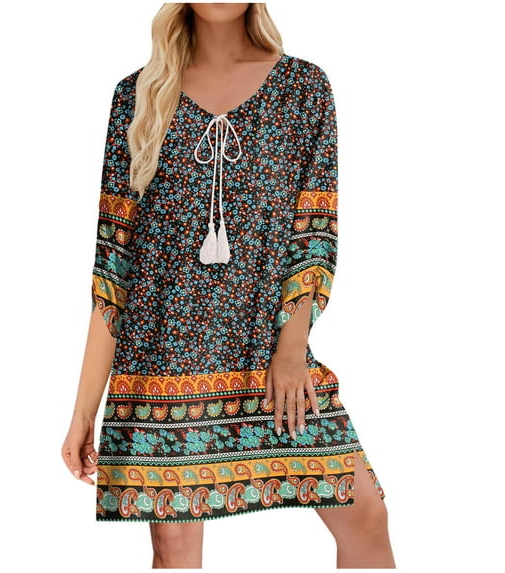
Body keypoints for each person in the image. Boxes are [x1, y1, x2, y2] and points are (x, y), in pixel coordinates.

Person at [61, 2, 396, 569]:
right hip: (160, 369)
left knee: (365, 516)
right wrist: (81, 412)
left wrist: (291, 351)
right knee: (175, 550)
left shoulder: (303, 89)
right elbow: (113, 268)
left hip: (267, 356)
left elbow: (314, 233)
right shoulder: (136, 95)